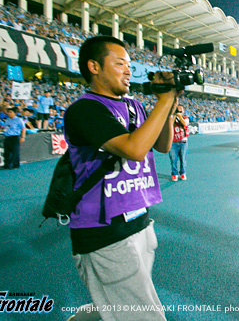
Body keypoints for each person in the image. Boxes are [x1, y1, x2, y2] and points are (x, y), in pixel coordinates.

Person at [63, 35, 179, 321]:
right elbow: (135, 150)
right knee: (143, 315)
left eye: (129, 64)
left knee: (123, 304)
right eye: (120, 64)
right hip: (103, 231)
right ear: (94, 66)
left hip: (139, 221)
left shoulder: (134, 106)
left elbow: (163, 146)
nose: (129, 70)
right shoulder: (85, 109)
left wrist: (171, 105)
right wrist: (164, 99)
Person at [169, 104, 189, 181]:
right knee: (173, 159)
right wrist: (175, 116)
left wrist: (180, 116)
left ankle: (183, 173)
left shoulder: (185, 118)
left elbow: (184, 124)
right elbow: (170, 124)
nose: (179, 110)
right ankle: (174, 174)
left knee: (183, 159)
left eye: (181, 109)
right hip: (173, 142)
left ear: (183, 111)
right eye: (178, 109)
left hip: (183, 142)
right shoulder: (172, 117)